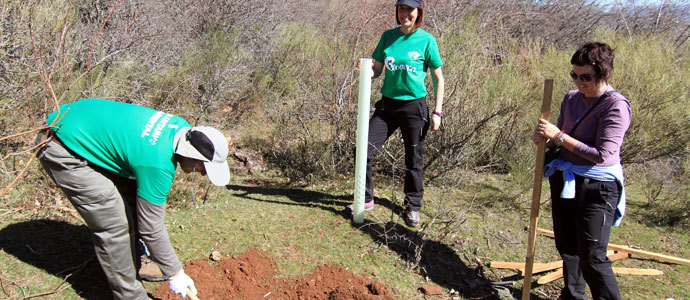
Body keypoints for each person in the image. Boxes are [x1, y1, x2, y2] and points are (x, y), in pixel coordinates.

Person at [35, 98, 232, 299]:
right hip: (61, 145)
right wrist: (175, 272)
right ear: (190, 154)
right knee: (114, 223)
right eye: (203, 167)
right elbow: (151, 228)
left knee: (133, 198)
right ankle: (130, 295)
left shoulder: (182, 128)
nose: (202, 174)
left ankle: (135, 259)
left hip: (76, 124)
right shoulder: (158, 164)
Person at [532, 42, 631, 300]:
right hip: (566, 179)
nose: (579, 81)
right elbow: (560, 139)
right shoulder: (571, 98)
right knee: (568, 247)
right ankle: (573, 296)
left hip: (598, 187)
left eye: (586, 76)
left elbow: (602, 155)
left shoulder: (615, 106)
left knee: (593, 257)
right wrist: (546, 138)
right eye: (574, 75)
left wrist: (560, 136)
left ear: (604, 73)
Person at [348, 0, 444, 227]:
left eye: (409, 10)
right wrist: (366, 71)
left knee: (414, 159)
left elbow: (439, 78)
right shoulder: (388, 37)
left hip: (414, 107)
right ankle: (366, 198)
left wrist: (438, 112)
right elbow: (378, 70)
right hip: (388, 106)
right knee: (363, 149)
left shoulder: (426, 40)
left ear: (418, 11)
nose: (405, 14)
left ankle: (412, 207)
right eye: (401, 9)